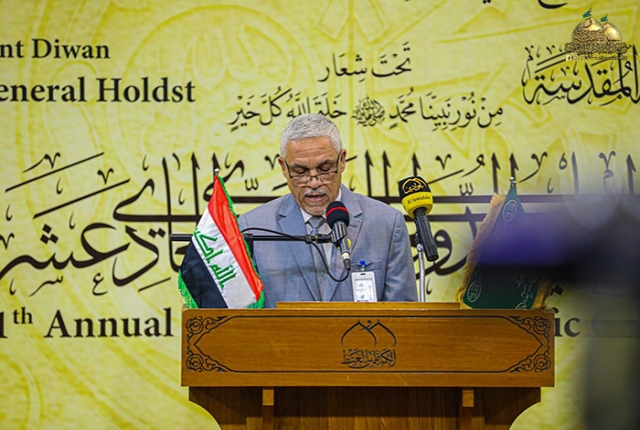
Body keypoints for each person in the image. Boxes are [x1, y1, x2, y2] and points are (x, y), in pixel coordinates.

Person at [238, 114, 417, 307]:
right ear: (283, 167)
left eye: (325, 168)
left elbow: (402, 313)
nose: (314, 183)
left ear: (342, 160)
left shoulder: (386, 224)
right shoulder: (253, 228)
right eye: (300, 172)